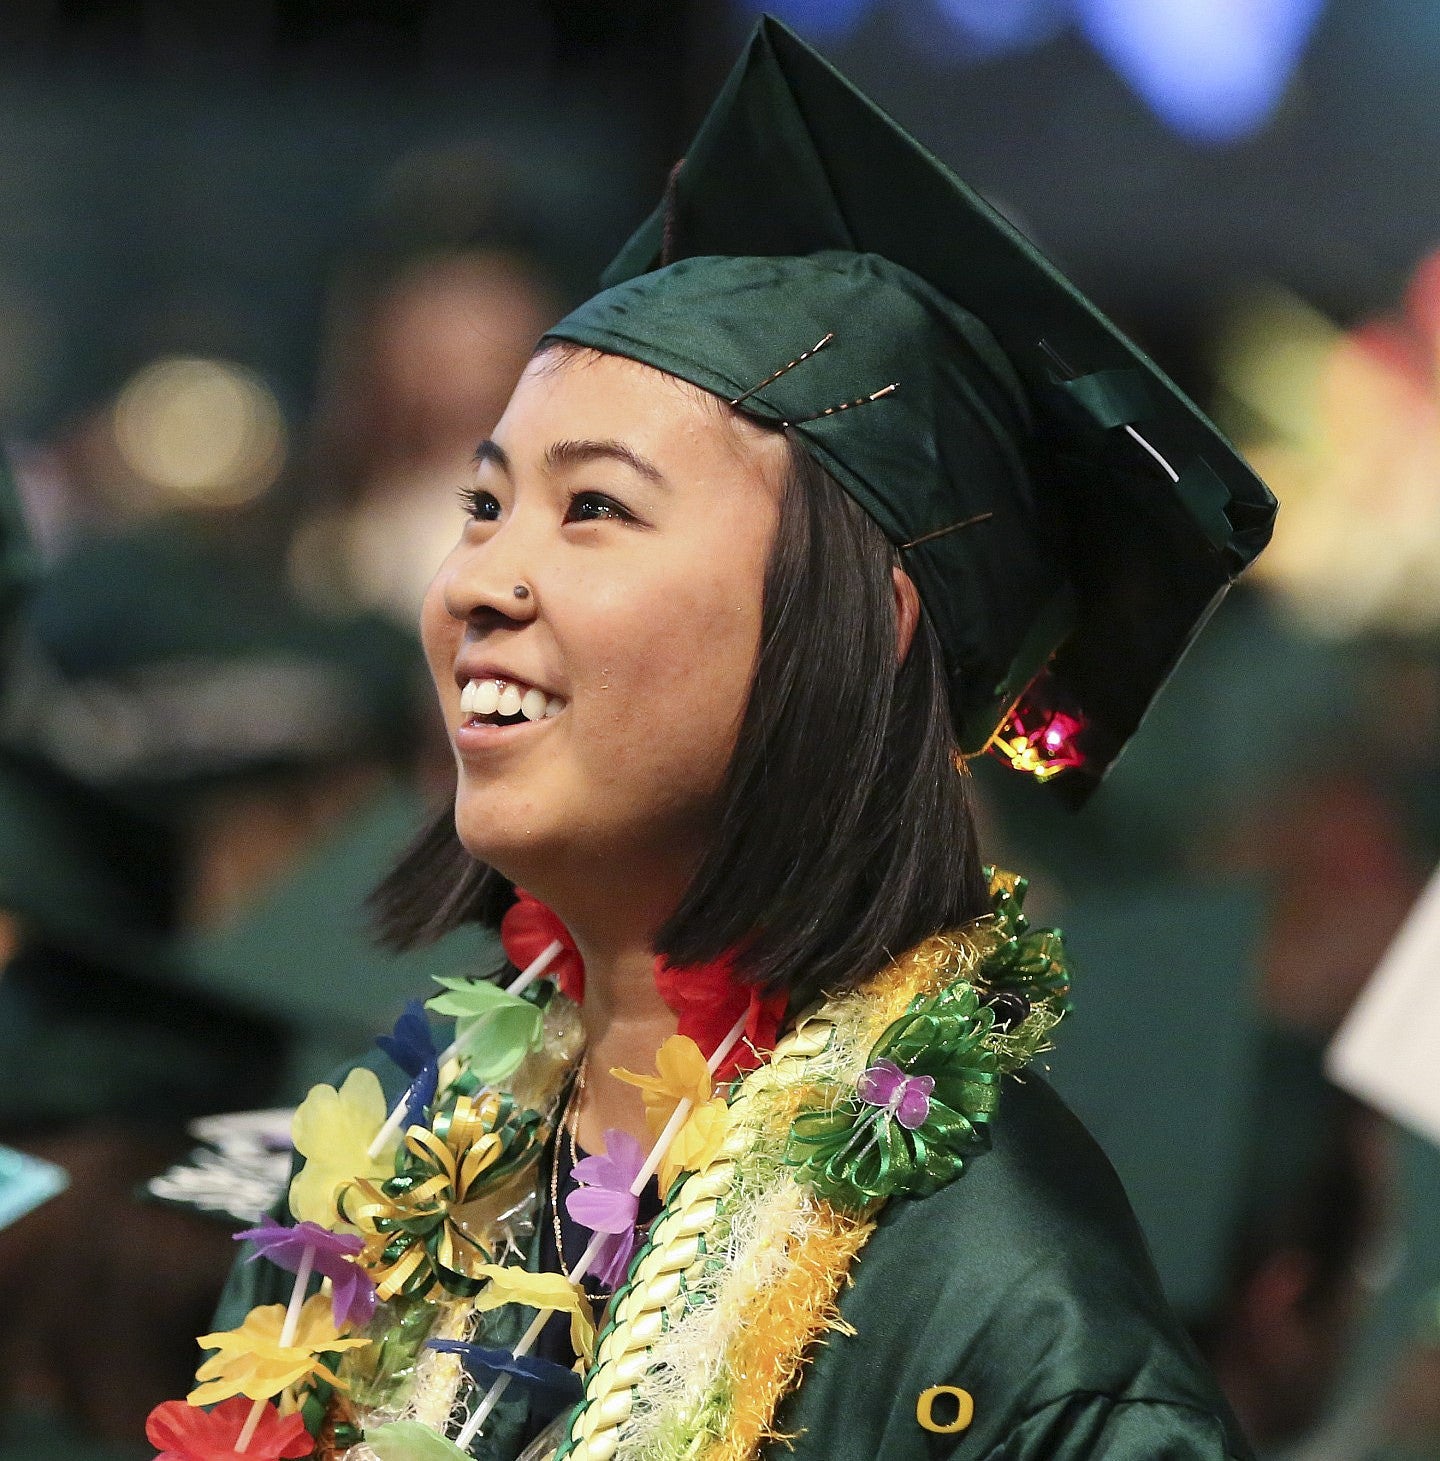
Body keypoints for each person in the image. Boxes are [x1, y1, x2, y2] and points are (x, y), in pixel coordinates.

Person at [170, 19, 1277, 1461]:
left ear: (867, 620)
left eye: (595, 510)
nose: (479, 583)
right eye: (486, 504)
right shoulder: (386, 1160)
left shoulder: (1008, 1318)